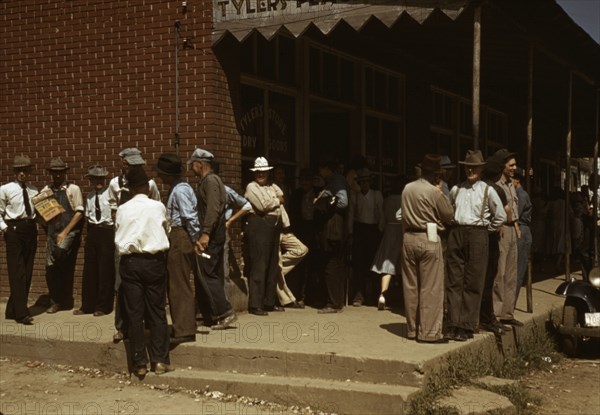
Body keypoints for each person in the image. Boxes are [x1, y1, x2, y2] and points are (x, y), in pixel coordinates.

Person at [115, 165, 171, 377]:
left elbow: (118, 231)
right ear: (147, 187)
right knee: (157, 311)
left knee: (134, 313)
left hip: (130, 262)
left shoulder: (122, 209)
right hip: (154, 260)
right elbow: (166, 229)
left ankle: (139, 363)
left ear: (129, 189)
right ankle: (160, 361)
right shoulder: (158, 207)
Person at [446, 150, 506, 341]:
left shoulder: (487, 190)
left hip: (479, 233)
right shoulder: (456, 189)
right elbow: (448, 210)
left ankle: (466, 325)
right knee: (454, 280)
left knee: (473, 281)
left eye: (474, 168)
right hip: (457, 232)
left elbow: (501, 216)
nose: (470, 170)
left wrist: (487, 230)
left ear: (481, 170)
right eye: (467, 167)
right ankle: (453, 323)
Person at [108, 147, 161, 342]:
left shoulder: (150, 184)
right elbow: (112, 209)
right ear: (123, 163)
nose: (134, 168)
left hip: (144, 241)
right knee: (120, 284)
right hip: (124, 241)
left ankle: (144, 327)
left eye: (138, 165)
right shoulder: (115, 184)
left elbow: (155, 208)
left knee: (145, 288)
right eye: (131, 164)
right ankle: (121, 327)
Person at [401, 154, 454, 343]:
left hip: (408, 237)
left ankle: (412, 328)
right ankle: (429, 332)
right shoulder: (434, 192)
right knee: (430, 286)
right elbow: (448, 215)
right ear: (436, 175)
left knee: (411, 286)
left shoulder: (407, 188)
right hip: (429, 235)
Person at [189, 148, 237, 329]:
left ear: (200, 164)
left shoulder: (211, 181)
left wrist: (206, 233)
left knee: (208, 273)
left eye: (193, 164)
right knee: (205, 273)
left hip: (212, 236)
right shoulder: (207, 181)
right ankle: (207, 314)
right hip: (210, 235)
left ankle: (225, 312)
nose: (192, 169)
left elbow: (213, 209)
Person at [155, 153, 200, 343]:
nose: (160, 178)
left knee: (178, 284)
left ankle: (184, 330)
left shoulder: (180, 191)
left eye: (162, 174)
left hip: (180, 235)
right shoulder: (181, 188)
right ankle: (185, 324)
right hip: (181, 235)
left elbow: (189, 216)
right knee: (179, 282)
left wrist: (196, 238)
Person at [243, 156, 284, 316]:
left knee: (272, 264)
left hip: (273, 226)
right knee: (259, 264)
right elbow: (261, 206)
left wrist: (273, 200)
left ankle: (269, 302)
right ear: (254, 173)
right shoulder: (251, 187)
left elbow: (282, 196)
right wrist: (275, 200)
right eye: (258, 172)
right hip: (259, 225)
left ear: (268, 173)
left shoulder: (271, 186)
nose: (261, 175)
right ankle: (255, 304)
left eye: (264, 172)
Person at [43, 157, 84, 314]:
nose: (57, 176)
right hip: (52, 232)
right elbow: (41, 214)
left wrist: (65, 232)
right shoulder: (46, 190)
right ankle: (57, 300)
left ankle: (62, 300)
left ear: (64, 173)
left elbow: (79, 212)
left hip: (68, 231)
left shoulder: (73, 189)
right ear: (51, 173)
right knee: (50, 268)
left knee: (61, 258)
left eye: (60, 172)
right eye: (54, 172)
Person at [0, 155, 38, 325]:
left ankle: (12, 310)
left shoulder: (34, 190)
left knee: (28, 271)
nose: (22, 173)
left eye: (25, 170)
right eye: (19, 170)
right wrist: (5, 228)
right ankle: (22, 314)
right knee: (17, 271)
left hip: (30, 229)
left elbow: (40, 212)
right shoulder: (5, 189)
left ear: (29, 172)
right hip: (13, 230)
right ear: (15, 172)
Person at [74, 165, 115, 316]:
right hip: (93, 231)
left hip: (107, 231)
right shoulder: (90, 196)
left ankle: (103, 306)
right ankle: (87, 305)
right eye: (94, 179)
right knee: (89, 270)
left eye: (100, 179)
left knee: (105, 270)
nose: (98, 182)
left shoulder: (110, 194)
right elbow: (88, 216)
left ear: (104, 179)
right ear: (90, 180)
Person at [492, 149, 522, 327]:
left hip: (512, 229)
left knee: (512, 273)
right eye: (511, 165)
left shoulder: (511, 184)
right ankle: (496, 314)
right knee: (500, 273)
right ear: (502, 166)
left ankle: (507, 313)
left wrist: (517, 226)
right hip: (502, 228)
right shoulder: (497, 184)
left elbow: (514, 208)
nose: (514, 168)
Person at [315, 158, 349, 314]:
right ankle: (336, 301)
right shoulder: (334, 181)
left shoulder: (336, 181)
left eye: (321, 169)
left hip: (333, 230)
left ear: (327, 169)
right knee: (334, 265)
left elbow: (343, 201)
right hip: (333, 229)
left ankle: (333, 303)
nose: (320, 173)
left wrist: (322, 201)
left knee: (331, 265)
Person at [347, 167, 384, 306]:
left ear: (370, 182)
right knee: (358, 264)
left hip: (373, 231)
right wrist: (350, 233)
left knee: (374, 264)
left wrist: (381, 231)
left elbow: (381, 214)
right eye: (361, 182)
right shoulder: (355, 196)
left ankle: (375, 295)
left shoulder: (376, 195)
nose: (364, 185)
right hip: (359, 230)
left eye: (366, 182)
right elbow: (350, 215)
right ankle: (359, 295)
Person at [370, 174, 407, 310]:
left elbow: (381, 220)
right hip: (402, 231)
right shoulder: (405, 199)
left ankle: (382, 294)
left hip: (389, 231)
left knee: (387, 265)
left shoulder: (387, 201)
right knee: (405, 266)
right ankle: (405, 297)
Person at [276, 205, 308, 309]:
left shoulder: (276, 189)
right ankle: (288, 300)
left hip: (284, 230)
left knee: (302, 249)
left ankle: (275, 270)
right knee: (277, 266)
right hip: (272, 229)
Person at [513, 167, 532, 303]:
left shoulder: (521, 195)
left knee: (518, 270)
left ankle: (512, 302)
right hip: (519, 229)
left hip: (521, 229)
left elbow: (515, 214)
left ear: (517, 180)